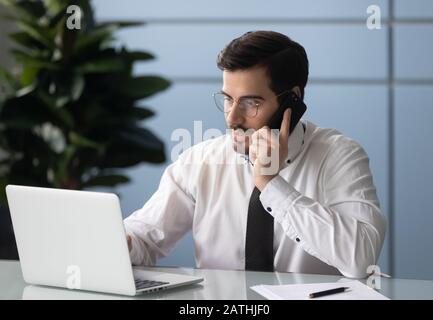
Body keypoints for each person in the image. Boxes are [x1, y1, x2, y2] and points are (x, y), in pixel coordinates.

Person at [124, 30, 386, 278]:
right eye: (228, 99)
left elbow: (362, 260)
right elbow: (145, 238)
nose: (232, 118)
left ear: (291, 101)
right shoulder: (200, 161)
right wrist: (123, 242)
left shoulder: (338, 155)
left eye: (251, 103)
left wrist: (271, 185)